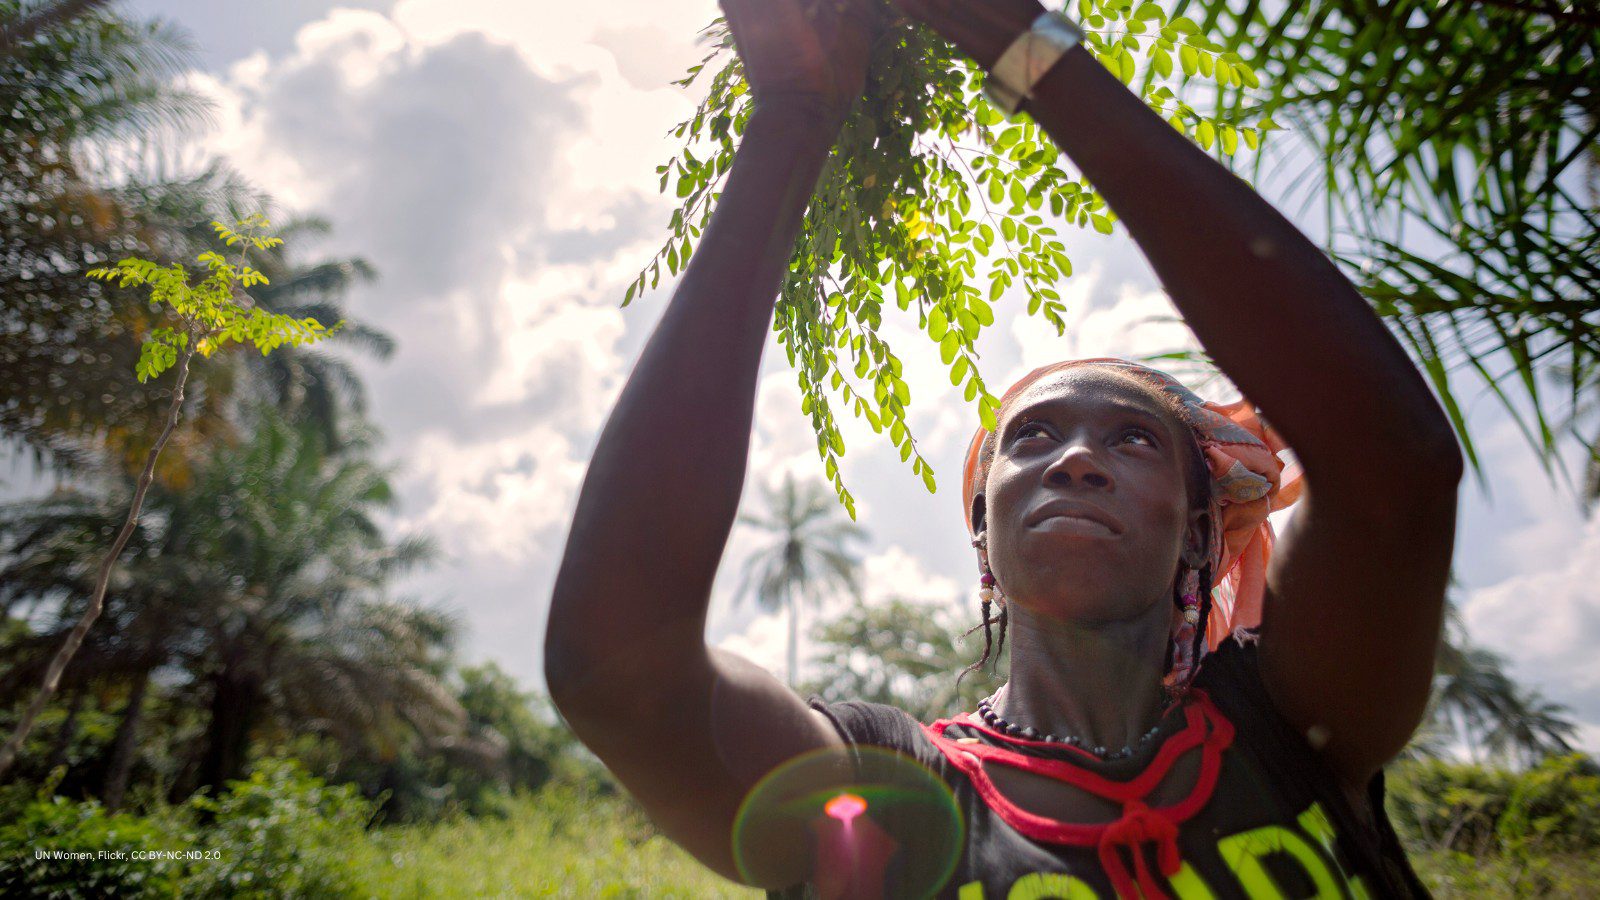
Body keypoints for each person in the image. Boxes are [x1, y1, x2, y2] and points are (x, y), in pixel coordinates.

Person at [544, 0, 1462, 896]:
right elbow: (621, 674)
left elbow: (1398, 472)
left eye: (1134, 438)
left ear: (1197, 529)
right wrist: (790, 113)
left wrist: (1033, 53)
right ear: (985, 530)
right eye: (1031, 439)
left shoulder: (1293, 723)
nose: (1073, 458)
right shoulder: (894, 797)